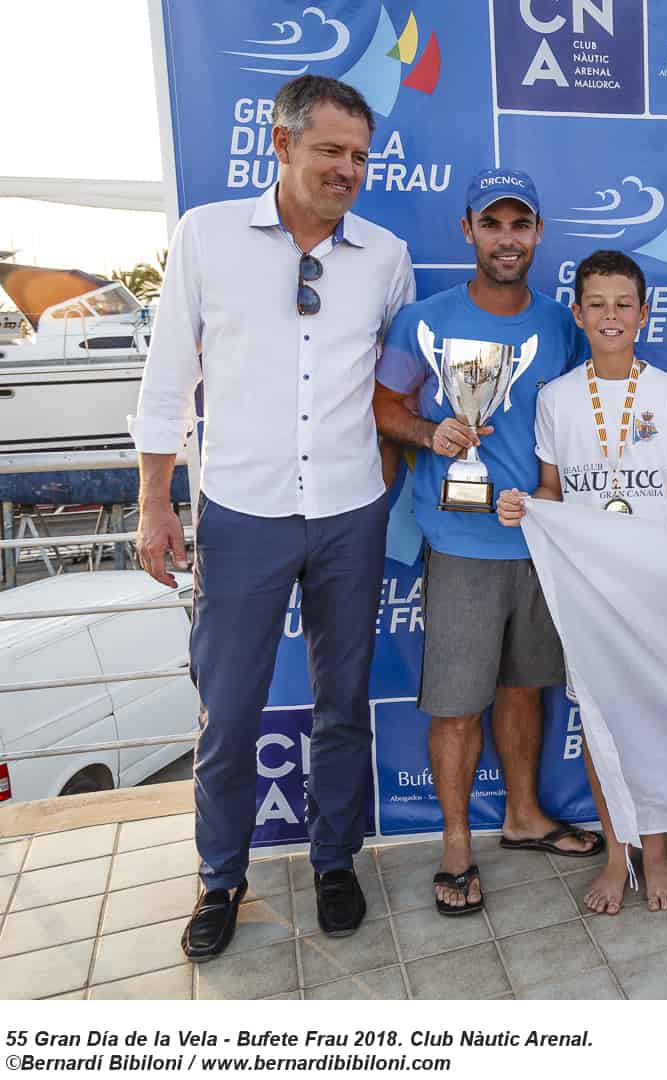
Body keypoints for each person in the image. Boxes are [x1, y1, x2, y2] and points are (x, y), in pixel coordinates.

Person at [132, 76, 415, 960]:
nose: (347, 169)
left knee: (342, 705)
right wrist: (154, 502)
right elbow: (168, 378)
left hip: (349, 512)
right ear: (282, 143)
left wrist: (385, 481)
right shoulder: (207, 235)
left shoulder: (386, 254)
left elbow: (395, 388)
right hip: (241, 511)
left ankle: (336, 861)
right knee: (228, 708)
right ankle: (221, 878)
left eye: (361, 156)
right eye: (330, 149)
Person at [373, 167, 601, 918]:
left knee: (523, 689)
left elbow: (576, 424)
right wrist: (429, 431)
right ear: (468, 230)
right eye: (493, 224)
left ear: (538, 235)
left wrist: (549, 498)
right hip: (459, 542)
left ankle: (525, 816)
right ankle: (455, 847)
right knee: (456, 703)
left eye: (521, 225)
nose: (508, 238)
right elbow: (383, 405)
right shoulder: (422, 320)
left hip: (537, 539)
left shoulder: (561, 326)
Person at [498, 250, 667, 914]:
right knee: (601, 726)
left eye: (624, 304)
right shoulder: (556, 399)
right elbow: (553, 491)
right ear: (579, 313)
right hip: (586, 591)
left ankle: (659, 852)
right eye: (598, 304)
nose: (610, 316)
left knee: (655, 722)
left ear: (644, 313)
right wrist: (522, 505)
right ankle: (618, 857)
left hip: (655, 590)